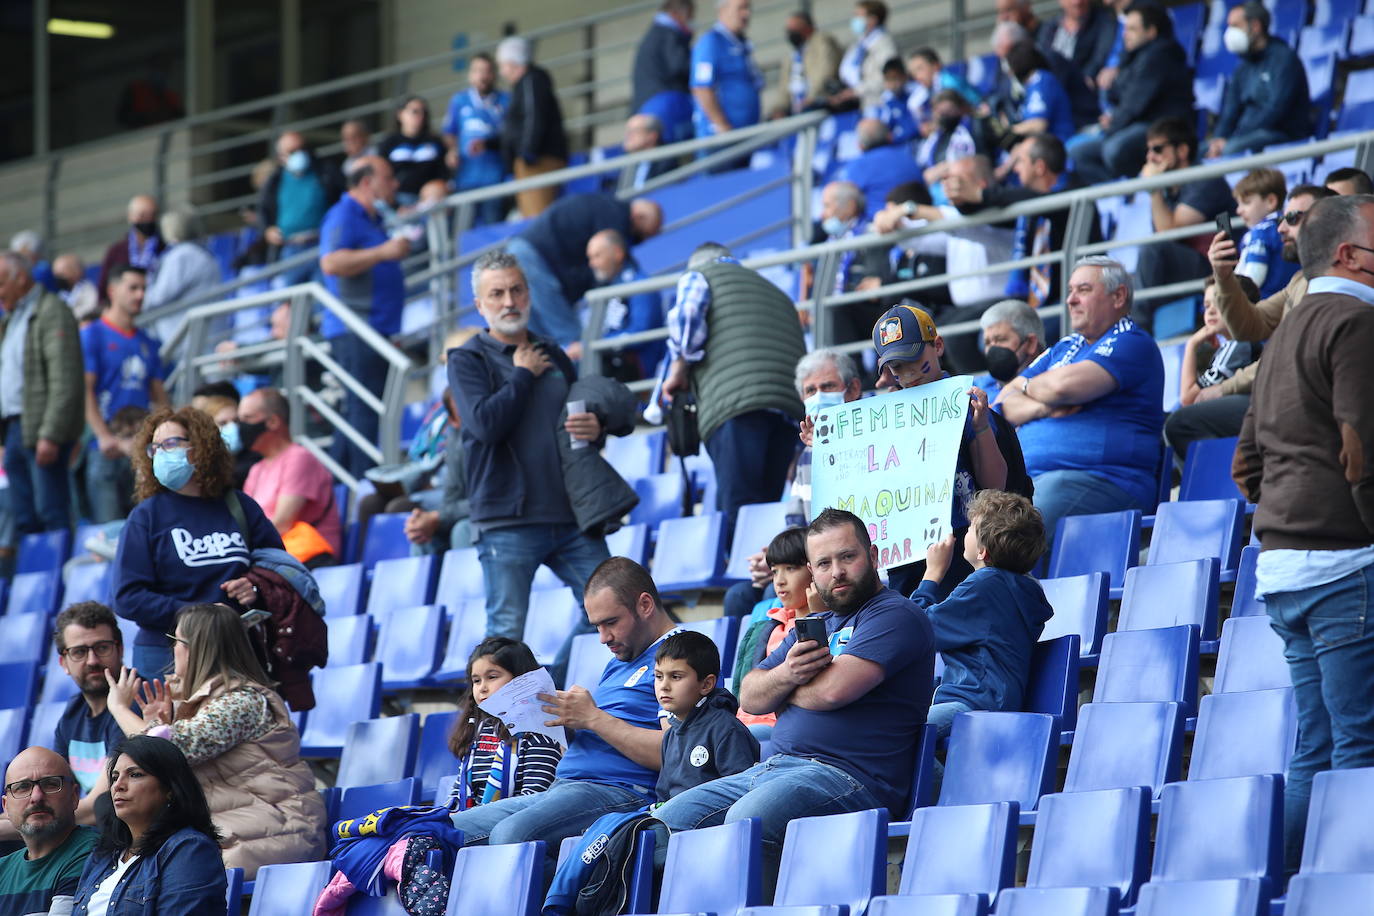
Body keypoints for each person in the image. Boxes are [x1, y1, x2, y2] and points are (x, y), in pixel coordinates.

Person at [652, 509, 935, 888]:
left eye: (847, 557)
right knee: (661, 826)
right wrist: (786, 674)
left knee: (747, 821)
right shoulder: (818, 624)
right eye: (824, 563)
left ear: (873, 556)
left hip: (850, 778)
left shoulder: (895, 615)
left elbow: (834, 691)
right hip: (775, 769)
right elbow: (749, 696)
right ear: (812, 572)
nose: (836, 571)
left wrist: (783, 691)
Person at [1232, 193, 1374, 876]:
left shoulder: (1285, 330)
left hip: (1284, 568)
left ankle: (1295, 889)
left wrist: (1291, 511)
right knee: (1359, 745)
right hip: (1346, 565)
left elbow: (1244, 463)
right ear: (1349, 254)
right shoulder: (1355, 321)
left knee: (1314, 747)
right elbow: (1364, 449)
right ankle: (1346, 891)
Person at [446, 558, 679, 878]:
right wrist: (559, 720)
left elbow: (674, 753)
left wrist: (594, 718)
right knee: (440, 830)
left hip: (622, 792)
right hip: (565, 787)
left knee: (511, 837)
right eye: (596, 625)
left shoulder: (680, 656)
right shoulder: (621, 658)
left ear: (645, 604)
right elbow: (607, 732)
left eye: (610, 622)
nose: (603, 637)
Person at [448, 250, 613, 659]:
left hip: (570, 515)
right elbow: (485, 424)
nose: (509, 301)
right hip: (506, 521)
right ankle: (495, 723)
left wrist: (596, 430)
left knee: (615, 609)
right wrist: (522, 374)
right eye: (498, 293)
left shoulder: (553, 353)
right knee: (504, 639)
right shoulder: (466, 359)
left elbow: (575, 423)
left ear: (528, 294)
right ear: (480, 305)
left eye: (517, 290)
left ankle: (549, 689)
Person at [104, 603, 327, 877]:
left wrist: (118, 708)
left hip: (276, 831)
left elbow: (166, 753)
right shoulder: (205, 702)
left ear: (195, 648)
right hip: (238, 829)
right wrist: (158, 724)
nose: (172, 648)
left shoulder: (241, 701)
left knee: (168, 877)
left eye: (176, 640)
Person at [994, 256, 1164, 544]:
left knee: (1014, 533)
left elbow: (1062, 386)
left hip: (1105, 481)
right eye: (1070, 291)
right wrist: (1044, 406)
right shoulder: (1065, 347)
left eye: (1083, 290)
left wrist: (1034, 388)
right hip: (1039, 483)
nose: (1070, 300)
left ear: (1118, 295)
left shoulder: (1132, 341)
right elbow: (1003, 403)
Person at [1166, 185, 1336, 460]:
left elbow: (1287, 357)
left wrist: (1225, 388)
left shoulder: (1332, 283)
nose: (1281, 229)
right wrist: (1223, 276)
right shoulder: (1299, 280)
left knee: (1183, 423)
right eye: (1282, 218)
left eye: (1292, 218)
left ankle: (1239, 493)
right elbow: (1248, 326)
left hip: (1303, 402)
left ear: (1330, 221)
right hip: (1282, 397)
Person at [112, 406, 284, 678]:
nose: (160, 454)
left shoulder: (240, 507)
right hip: (166, 657)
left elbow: (280, 572)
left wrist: (255, 586)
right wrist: (200, 616)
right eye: (154, 448)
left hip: (238, 653)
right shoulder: (145, 517)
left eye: (170, 444)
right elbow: (127, 598)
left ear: (200, 447)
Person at [657, 242, 806, 532]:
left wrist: (678, 367)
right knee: (765, 508)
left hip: (734, 406)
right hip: (785, 409)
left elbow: (686, 320)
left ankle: (744, 571)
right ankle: (767, 572)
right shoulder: (776, 293)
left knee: (738, 507)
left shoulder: (699, 275)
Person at [869, 302, 1010, 595]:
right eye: (896, 366)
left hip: (964, 543)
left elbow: (996, 485)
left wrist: (981, 426)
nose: (907, 372)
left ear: (939, 346)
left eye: (913, 358)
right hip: (907, 552)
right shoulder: (883, 417)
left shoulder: (964, 402)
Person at [913, 490, 1053, 738]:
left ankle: (945, 779)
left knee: (895, 734)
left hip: (972, 702)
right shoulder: (1021, 587)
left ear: (983, 552)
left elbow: (916, 628)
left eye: (969, 529)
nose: (964, 533)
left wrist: (932, 574)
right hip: (987, 700)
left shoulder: (984, 585)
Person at [318, 155, 410, 478]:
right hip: (356, 329)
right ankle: (367, 485)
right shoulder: (343, 214)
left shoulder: (373, 218)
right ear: (368, 182)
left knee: (359, 412)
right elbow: (330, 263)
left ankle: (339, 483)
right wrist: (383, 252)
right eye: (388, 177)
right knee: (364, 412)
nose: (394, 183)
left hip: (375, 329)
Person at [70, 736, 227, 914]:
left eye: (135, 774)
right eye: (114, 777)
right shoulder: (101, 856)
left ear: (170, 789)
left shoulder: (189, 849)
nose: (117, 786)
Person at [941, 133, 1098, 308]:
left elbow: (1039, 202)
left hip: (1077, 300)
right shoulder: (1027, 203)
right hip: (1041, 301)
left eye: (1020, 161)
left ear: (1039, 167)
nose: (1015, 169)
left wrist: (980, 194)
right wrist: (962, 200)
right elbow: (989, 213)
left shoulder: (1073, 191)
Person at [505, 192, 664, 347]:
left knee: (537, 339)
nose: (636, 242)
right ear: (638, 217)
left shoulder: (604, 206)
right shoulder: (615, 216)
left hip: (523, 253)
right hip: (533, 259)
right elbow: (613, 260)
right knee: (572, 340)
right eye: (640, 235)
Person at [0, 251, 84, 537]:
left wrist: (50, 434)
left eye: (0, 283)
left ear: (20, 278)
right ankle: (35, 581)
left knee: (51, 511)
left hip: (40, 430)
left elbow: (65, 378)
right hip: (13, 428)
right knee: (24, 516)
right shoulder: (11, 318)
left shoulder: (52, 311)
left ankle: (57, 579)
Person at [1067, 4, 1193, 185]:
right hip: (1133, 124)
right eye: (1125, 28)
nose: (1125, 34)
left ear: (1151, 31)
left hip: (1162, 126)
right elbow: (1116, 94)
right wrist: (1113, 118)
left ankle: (1136, 191)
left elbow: (1135, 104)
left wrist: (1112, 125)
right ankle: (1120, 195)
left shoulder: (1160, 55)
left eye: (1133, 29)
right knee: (1077, 153)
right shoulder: (1133, 56)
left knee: (1115, 150)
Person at [82, 265, 169, 524]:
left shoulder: (147, 341)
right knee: (110, 532)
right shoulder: (92, 335)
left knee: (148, 527)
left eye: (143, 288)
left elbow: (160, 397)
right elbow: (84, 392)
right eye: (133, 288)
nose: (140, 295)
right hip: (105, 449)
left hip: (141, 450)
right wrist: (105, 437)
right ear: (112, 290)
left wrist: (164, 437)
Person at [1133, 116, 1237, 331]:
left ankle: (1137, 331)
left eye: (1158, 149)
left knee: (1152, 250)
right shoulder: (1171, 187)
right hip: (1188, 265)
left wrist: (1153, 190)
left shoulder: (1205, 179)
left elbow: (1168, 234)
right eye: (1149, 150)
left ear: (1182, 151)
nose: (1150, 157)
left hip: (1215, 266)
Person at [447, 637, 564, 809]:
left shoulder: (540, 734)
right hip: (473, 821)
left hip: (510, 825)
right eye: (476, 680)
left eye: (492, 677)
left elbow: (534, 802)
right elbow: (457, 795)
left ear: (521, 680)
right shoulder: (480, 730)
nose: (482, 688)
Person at [732, 527, 824, 739]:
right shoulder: (764, 627)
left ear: (814, 570)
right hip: (743, 722)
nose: (779, 581)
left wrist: (818, 615)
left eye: (791, 568)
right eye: (774, 571)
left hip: (780, 727)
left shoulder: (829, 622)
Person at [239, 387, 342, 566]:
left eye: (247, 419)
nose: (240, 427)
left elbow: (281, 524)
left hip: (307, 559)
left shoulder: (299, 458)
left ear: (272, 422)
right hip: (272, 557)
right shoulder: (256, 469)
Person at [653, 630, 760, 801]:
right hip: (673, 820)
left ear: (707, 684)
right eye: (658, 676)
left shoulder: (726, 729)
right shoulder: (670, 736)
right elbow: (663, 796)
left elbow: (741, 793)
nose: (664, 686)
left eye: (675, 677)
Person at [50, 604, 129, 827]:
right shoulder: (72, 713)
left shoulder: (135, 703)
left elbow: (101, 806)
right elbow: (56, 793)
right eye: (79, 652)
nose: (92, 660)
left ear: (120, 649)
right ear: (63, 663)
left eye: (102, 648)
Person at [1206, 1, 1310, 158]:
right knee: (1199, 152)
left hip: (1280, 133)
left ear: (1255, 26)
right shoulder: (1243, 67)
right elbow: (1230, 112)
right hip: (1246, 135)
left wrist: (1234, 138)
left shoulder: (1284, 58)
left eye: (1235, 26)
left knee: (1230, 150)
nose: (1229, 32)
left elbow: (1276, 109)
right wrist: (1218, 140)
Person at [0, 747, 97, 914]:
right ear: (6, 806)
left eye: (51, 784)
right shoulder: (3, 869)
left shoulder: (92, 852)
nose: (36, 797)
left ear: (74, 796)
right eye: (22, 787)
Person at [257, 131, 341, 286]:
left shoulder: (325, 171)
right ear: (281, 156)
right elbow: (263, 210)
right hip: (290, 248)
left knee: (322, 301)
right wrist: (267, 229)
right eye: (292, 151)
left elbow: (340, 202)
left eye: (302, 148)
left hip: (322, 245)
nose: (299, 154)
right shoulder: (275, 179)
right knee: (290, 303)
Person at [497, 37, 569, 218]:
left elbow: (535, 116)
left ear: (514, 63)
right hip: (531, 161)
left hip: (538, 161)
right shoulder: (525, 83)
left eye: (503, 65)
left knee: (537, 219)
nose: (502, 72)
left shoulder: (532, 79)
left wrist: (528, 151)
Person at [585, 229, 666, 382]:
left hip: (635, 370)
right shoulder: (606, 288)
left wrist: (601, 343)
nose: (592, 264)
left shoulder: (640, 285)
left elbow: (639, 333)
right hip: (613, 367)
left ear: (617, 253)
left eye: (597, 256)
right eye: (590, 258)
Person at [442, 54, 509, 226]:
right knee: (462, 230)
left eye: (487, 71)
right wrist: (452, 150)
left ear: (494, 75)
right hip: (465, 177)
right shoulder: (459, 100)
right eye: (478, 71)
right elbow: (450, 133)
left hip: (495, 178)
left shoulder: (506, 100)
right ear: (470, 75)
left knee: (492, 230)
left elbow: (511, 137)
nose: (482, 76)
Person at [1177, 275, 1261, 413]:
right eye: (1207, 305)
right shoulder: (1237, 343)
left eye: (1219, 303)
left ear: (1242, 306)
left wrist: (1191, 345)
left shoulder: (1240, 344)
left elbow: (1188, 399)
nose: (1210, 311)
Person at [142, 209, 222, 344]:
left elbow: (158, 297)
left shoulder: (182, 256)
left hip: (185, 339)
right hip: (201, 334)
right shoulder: (202, 252)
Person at [691, 0, 764, 142]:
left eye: (748, 8)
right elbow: (702, 88)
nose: (747, 13)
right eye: (741, 8)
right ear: (723, 10)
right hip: (720, 140)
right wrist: (722, 126)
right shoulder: (711, 42)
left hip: (746, 135)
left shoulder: (741, 43)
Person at [633, 0, 696, 142]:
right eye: (690, 16)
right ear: (676, 14)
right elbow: (679, 67)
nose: (691, 21)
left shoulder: (656, 33)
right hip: (664, 108)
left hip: (649, 105)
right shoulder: (669, 33)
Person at [837, 119, 923, 222]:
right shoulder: (907, 156)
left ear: (860, 145)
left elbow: (848, 204)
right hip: (920, 217)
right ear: (890, 136)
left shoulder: (857, 166)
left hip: (882, 226)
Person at [1232, 168, 1299, 299]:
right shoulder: (1291, 226)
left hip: (1264, 306)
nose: (1239, 210)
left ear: (1270, 201)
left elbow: (1252, 279)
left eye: (1246, 203)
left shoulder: (1260, 232)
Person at [378, 96, 449, 207]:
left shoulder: (435, 141)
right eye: (414, 111)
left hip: (431, 199)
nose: (420, 116)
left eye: (423, 112)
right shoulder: (389, 142)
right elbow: (381, 174)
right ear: (400, 114)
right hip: (399, 199)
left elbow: (444, 172)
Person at [973, 299, 1047, 401]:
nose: (992, 349)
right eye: (988, 343)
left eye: (1001, 339)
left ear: (1030, 343)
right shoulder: (978, 387)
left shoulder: (1050, 382)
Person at [1003, 40, 1075, 142]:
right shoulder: (1030, 86)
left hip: (1059, 144)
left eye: (1011, 68)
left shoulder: (1041, 79)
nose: (1010, 74)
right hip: (1044, 147)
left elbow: (1038, 124)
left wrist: (1008, 131)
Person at [96, 196, 164, 303]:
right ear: (130, 217)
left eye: (152, 215)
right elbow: (103, 290)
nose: (148, 220)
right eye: (142, 215)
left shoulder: (165, 248)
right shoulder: (115, 252)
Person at [1036, 0, 1118, 88]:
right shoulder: (1049, 28)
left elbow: (1100, 56)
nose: (1077, 2)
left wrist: (1087, 77)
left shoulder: (1103, 22)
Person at [835, 1, 899, 111]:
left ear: (873, 20)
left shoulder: (884, 45)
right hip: (859, 104)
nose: (855, 20)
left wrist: (856, 91)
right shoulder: (859, 44)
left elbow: (886, 78)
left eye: (858, 16)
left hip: (876, 104)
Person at [775, 10, 842, 117]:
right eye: (788, 29)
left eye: (793, 28)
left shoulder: (822, 42)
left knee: (809, 110)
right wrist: (778, 109)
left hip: (818, 101)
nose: (790, 33)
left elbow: (825, 74)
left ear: (806, 27)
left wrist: (811, 98)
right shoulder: (791, 56)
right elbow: (784, 88)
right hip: (796, 107)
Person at [905, 46, 982, 130]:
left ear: (935, 66)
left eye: (920, 69)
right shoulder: (925, 89)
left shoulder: (950, 83)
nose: (917, 76)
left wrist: (934, 125)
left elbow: (976, 107)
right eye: (913, 72)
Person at [867, 58, 920, 144]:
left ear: (904, 77)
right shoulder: (885, 101)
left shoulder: (917, 92)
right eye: (888, 79)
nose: (892, 84)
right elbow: (886, 130)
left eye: (895, 78)